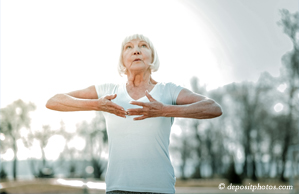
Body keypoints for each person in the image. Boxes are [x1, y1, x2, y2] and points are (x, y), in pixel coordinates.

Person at [46, 34, 222, 194]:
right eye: (128, 47)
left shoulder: (168, 90)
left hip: (159, 189)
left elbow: (213, 108)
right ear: (122, 60)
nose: (136, 50)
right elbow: (53, 101)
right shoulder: (108, 90)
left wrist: (164, 110)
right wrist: (97, 105)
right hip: (117, 188)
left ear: (152, 56)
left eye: (143, 46)